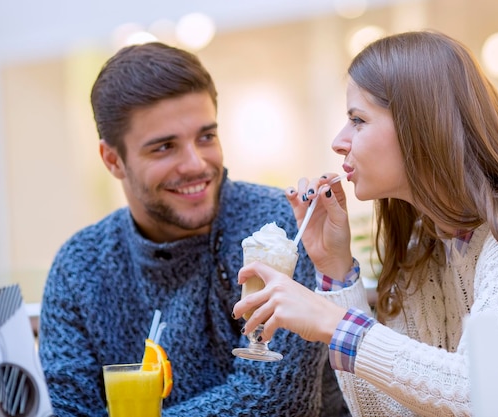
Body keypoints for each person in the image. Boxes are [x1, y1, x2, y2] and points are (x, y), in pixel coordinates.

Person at [233, 30, 498, 416]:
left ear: (419, 125)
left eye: (358, 119)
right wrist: (335, 272)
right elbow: (382, 411)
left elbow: (477, 391)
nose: (339, 140)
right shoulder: (428, 246)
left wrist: (333, 322)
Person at [38, 42, 350, 417]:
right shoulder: (80, 265)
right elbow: (68, 408)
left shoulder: (277, 229)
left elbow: (276, 403)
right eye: (165, 147)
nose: (196, 164)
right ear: (112, 159)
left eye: (206, 137)